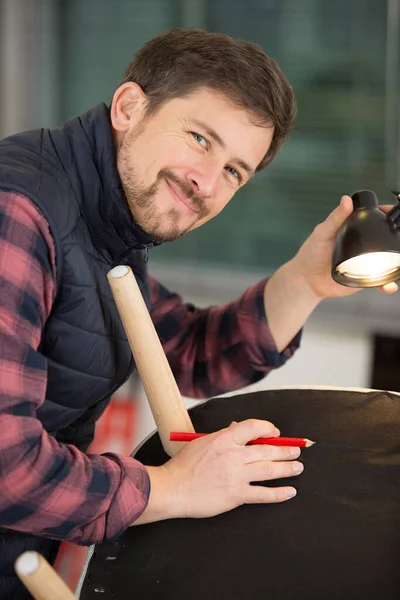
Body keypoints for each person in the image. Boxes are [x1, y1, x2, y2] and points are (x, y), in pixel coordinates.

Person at [0, 28, 396, 598]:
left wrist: (305, 281)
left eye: (235, 170)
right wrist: (174, 489)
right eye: (200, 138)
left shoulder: (103, 223)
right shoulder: (20, 209)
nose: (207, 183)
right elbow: (8, 466)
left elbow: (187, 353)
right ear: (130, 107)